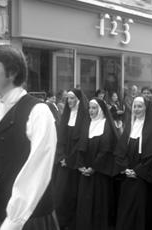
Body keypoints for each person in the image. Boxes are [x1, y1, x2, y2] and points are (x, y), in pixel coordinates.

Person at [0, 44, 58, 229]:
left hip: (29, 218)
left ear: (12, 72)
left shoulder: (38, 111)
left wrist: (13, 222)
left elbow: (39, 169)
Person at [114, 96, 152, 230]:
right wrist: (125, 168)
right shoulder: (131, 126)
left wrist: (138, 171)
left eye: (140, 106)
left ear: (146, 109)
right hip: (128, 176)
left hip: (144, 178)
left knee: (142, 211)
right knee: (126, 210)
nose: (136, 109)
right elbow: (120, 150)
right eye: (135, 106)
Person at [75, 98, 118, 230]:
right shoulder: (87, 124)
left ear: (100, 109)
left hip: (99, 173)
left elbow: (106, 150)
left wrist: (93, 167)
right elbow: (81, 147)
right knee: (85, 203)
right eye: (90, 108)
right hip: (85, 172)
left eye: (94, 108)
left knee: (99, 203)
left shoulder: (106, 125)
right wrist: (81, 165)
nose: (91, 111)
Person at [53, 89, 89, 230]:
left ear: (79, 100)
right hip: (63, 162)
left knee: (73, 194)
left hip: (75, 162)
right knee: (60, 193)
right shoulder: (66, 115)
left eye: (72, 98)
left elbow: (82, 140)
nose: (69, 101)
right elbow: (60, 138)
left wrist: (70, 159)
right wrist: (62, 157)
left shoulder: (84, 116)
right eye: (68, 99)